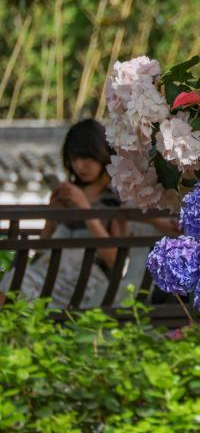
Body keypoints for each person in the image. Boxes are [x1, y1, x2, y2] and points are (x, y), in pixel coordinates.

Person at [1, 119, 125, 308]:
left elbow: (115, 262)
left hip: (84, 282)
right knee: (14, 281)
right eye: (75, 158)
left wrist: (85, 211)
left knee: (15, 284)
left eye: (87, 158)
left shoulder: (114, 202)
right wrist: (53, 215)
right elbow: (40, 253)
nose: (80, 165)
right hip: (49, 273)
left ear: (103, 154)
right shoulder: (69, 197)